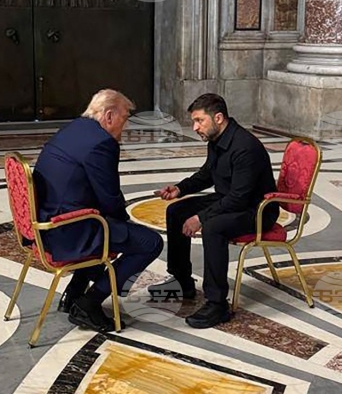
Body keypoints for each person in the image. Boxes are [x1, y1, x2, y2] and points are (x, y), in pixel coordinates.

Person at [32, 89, 163, 332]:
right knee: (149, 242)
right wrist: (126, 225)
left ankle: (73, 293)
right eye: (124, 118)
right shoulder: (102, 142)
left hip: (46, 224)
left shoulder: (73, 129)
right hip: (68, 231)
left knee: (109, 226)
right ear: (109, 115)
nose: (125, 126)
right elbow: (110, 198)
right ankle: (88, 303)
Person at [148, 93, 278, 328]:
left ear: (218, 118)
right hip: (230, 199)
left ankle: (217, 304)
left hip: (256, 210)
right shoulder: (217, 139)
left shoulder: (245, 148)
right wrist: (180, 189)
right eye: (194, 122)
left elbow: (239, 199)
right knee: (176, 211)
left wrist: (200, 217)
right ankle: (182, 281)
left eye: (199, 121)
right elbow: (207, 174)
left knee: (213, 227)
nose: (195, 127)